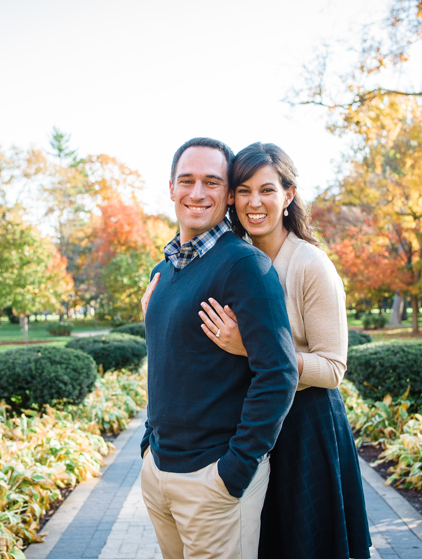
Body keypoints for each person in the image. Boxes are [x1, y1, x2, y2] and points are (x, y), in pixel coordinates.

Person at [144, 142, 371, 558]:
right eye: (244, 190)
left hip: (304, 423)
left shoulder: (309, 264)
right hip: (249, 424)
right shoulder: (226, 258)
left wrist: (252, 349)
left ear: (288, 195)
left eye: (267, 190)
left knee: (302, 544)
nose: (254, 202)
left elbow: (334, 367)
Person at [139, 137, 299, 559]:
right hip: (158, 473)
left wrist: (234, 471)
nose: (196, 193)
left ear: (228, 195)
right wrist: (147, 446)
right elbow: (167, 362)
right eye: (186, 180)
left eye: (211, 182)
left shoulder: (244, 266)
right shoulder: (163, 270)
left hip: (214, 481)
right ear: (170, 188)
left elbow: (279, 373)